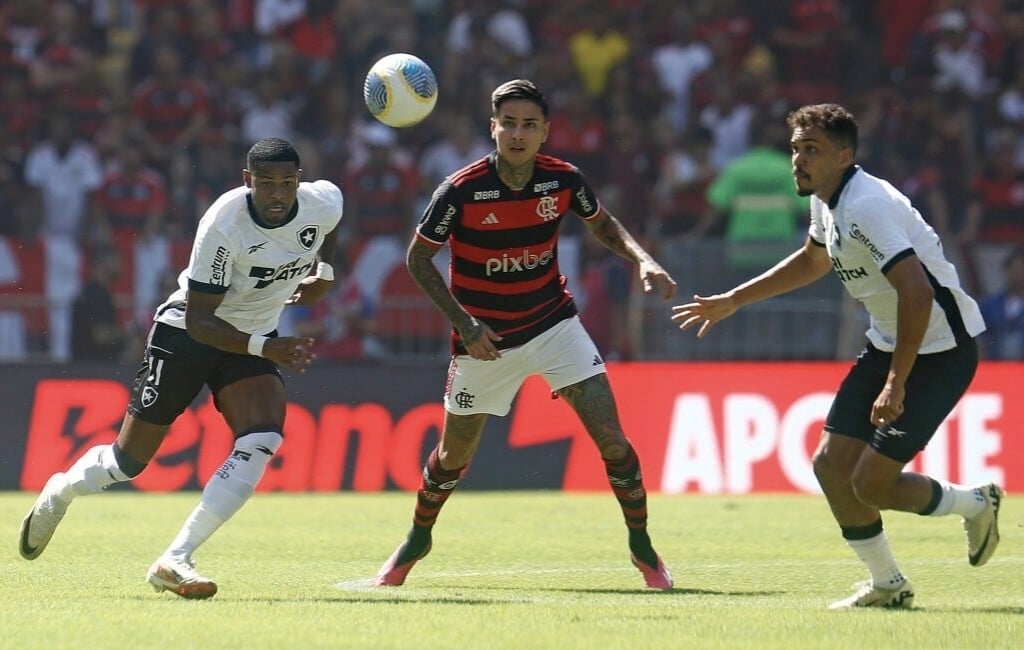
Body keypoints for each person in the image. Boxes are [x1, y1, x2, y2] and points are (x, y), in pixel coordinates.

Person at [671, 103, 1003, 610]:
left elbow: (917, 295)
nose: (798, 161)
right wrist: (735, 300)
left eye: (812, 150)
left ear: (845, 156)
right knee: (830, 466)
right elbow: (812, 260)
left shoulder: (866, 204)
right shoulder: (828, 200)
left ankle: (975, 503)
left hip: (941, 350)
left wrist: (896, 382)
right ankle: (889, 584)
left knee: (872, 483)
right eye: (796, 149)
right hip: (889, 342)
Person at [374, 79, 678, 590]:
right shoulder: (460, 189)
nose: (517, 134)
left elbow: (602, 225)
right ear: (493, 128)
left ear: (545, 132)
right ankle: (418, 538)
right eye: (508, 123)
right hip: (484, 343)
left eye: (528, 125)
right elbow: (417, 258)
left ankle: (643, 547)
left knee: (612, 440)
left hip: (554, 325)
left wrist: (643, 261)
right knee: (453, 458)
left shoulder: (563, 180)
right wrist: (465, 325)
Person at [19, 138, 342, 600]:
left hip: (249, 342)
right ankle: (61, 491)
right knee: (127, 462)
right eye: (266, 184)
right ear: (248, 181)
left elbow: (331, 227)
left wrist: (323, 278)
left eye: (287, 184)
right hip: (187, 336)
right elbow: (200, 320)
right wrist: (266, 347)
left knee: (263, 438)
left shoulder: (321, 201)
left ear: (299, 181)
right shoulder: (224, 223)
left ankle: (175, 559)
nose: (277, 195)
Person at [978, 245, 1024, 360]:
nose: (1018, 273)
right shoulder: (989, 305)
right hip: (996, 368)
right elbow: (980, 340)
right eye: (1014, 269)